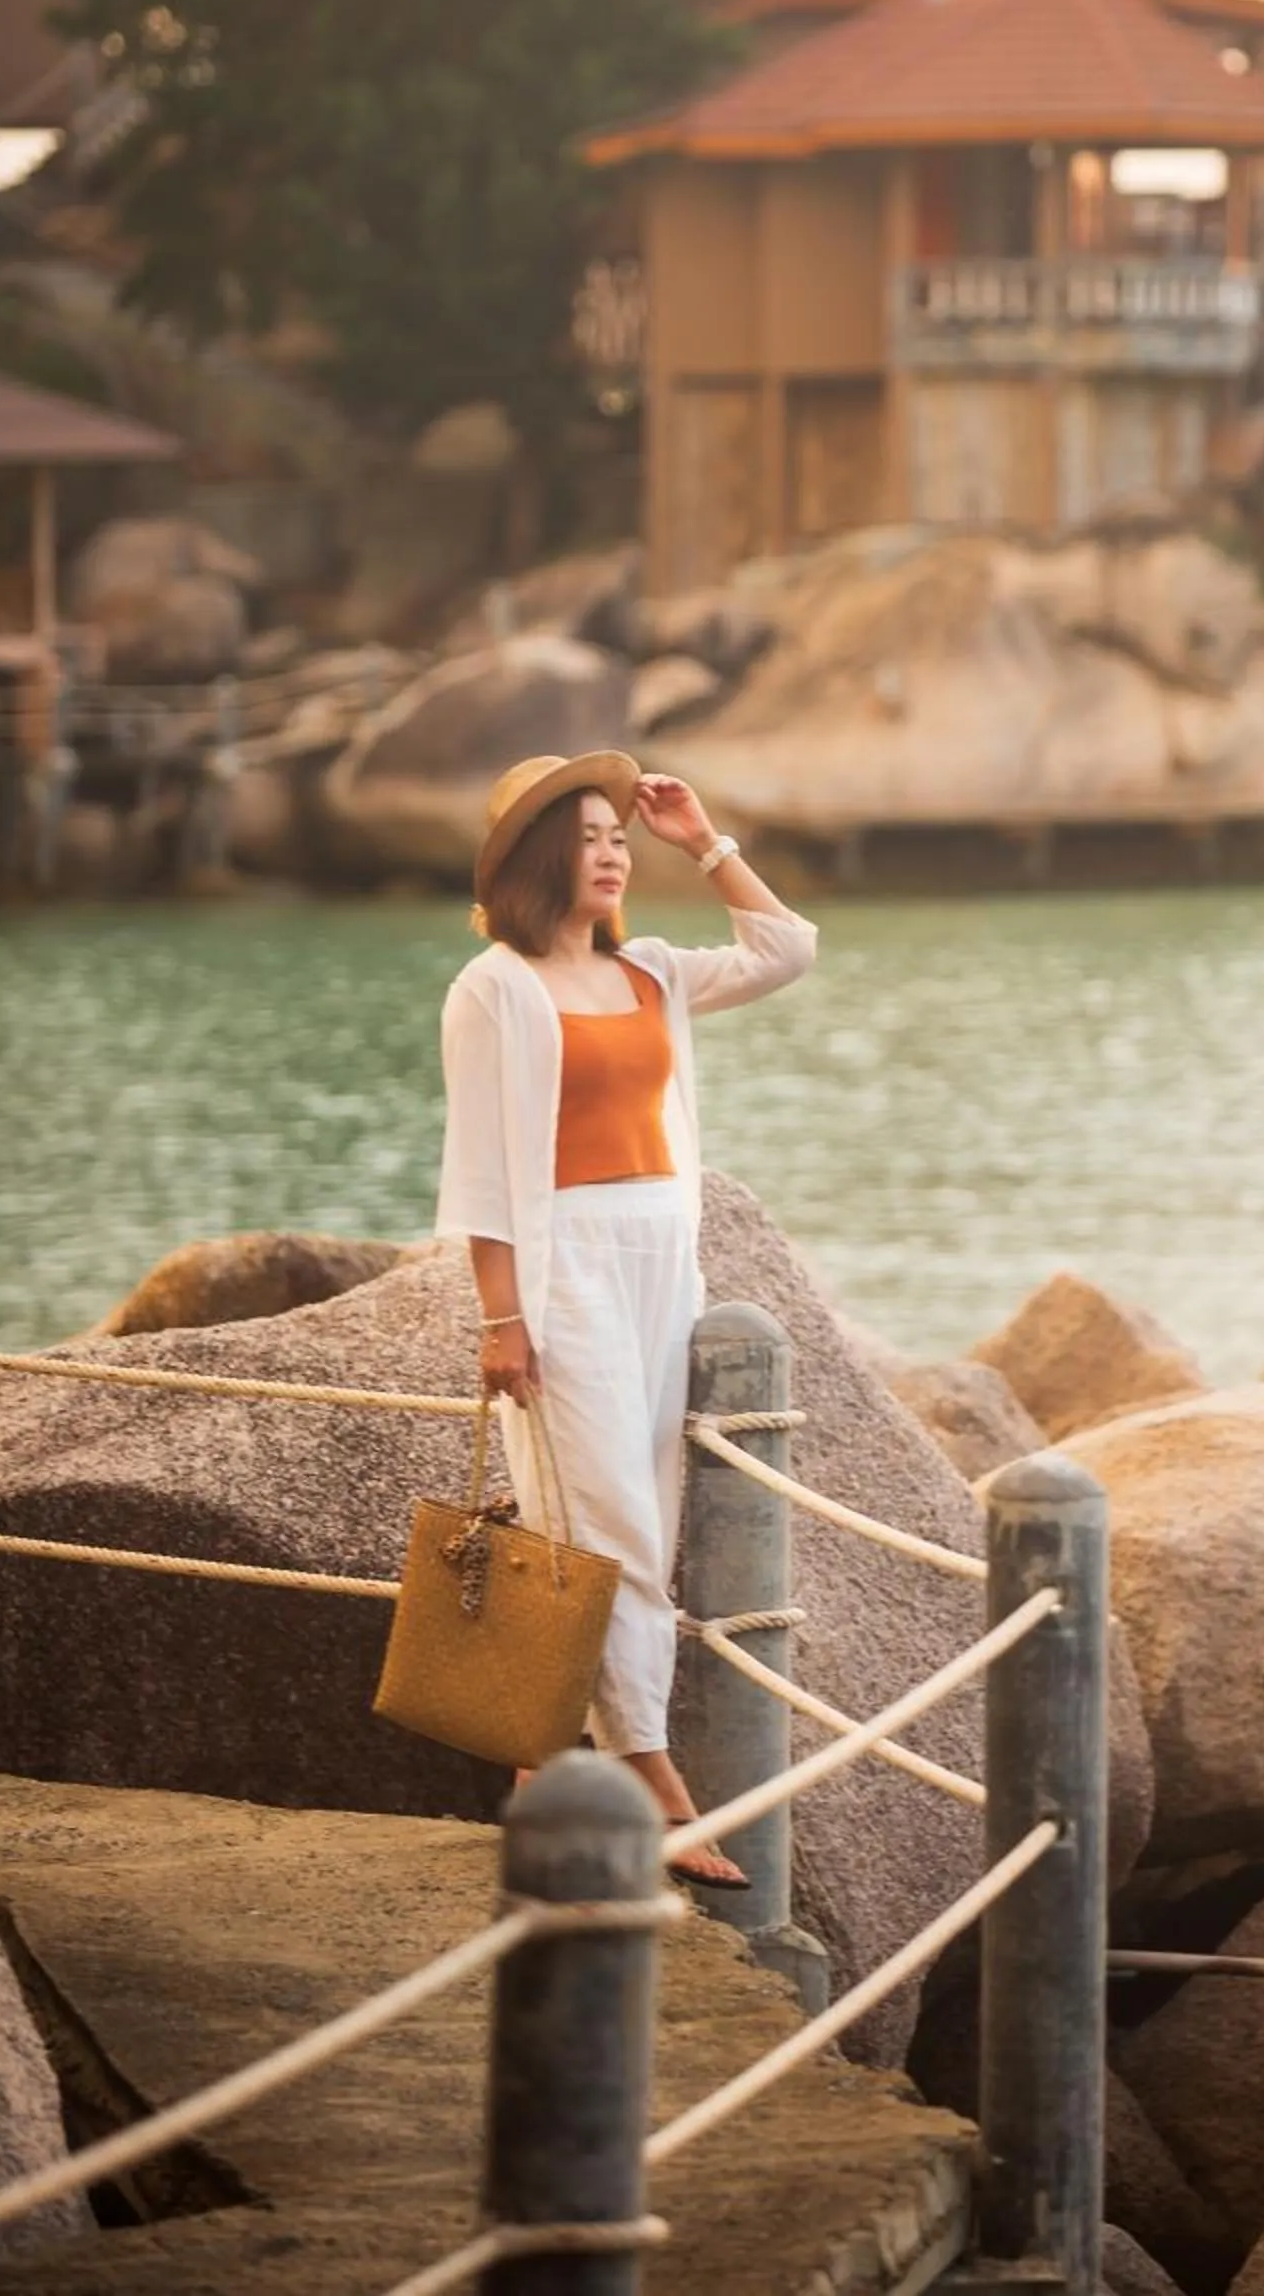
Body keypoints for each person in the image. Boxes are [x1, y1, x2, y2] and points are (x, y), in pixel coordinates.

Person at [434, 751, 817, 1884]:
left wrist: (704, 841)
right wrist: (501, 1319)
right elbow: (483, 1177)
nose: (611, 853)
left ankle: (542, 1760)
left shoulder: (650, 971)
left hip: (664, 1261)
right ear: (538, 859)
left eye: (619, 836)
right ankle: (650, 1774)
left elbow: (786, 949)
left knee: (627, 1512)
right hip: (568, 1275)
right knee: (615, 1532)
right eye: (588, 836)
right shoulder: (493, 988)